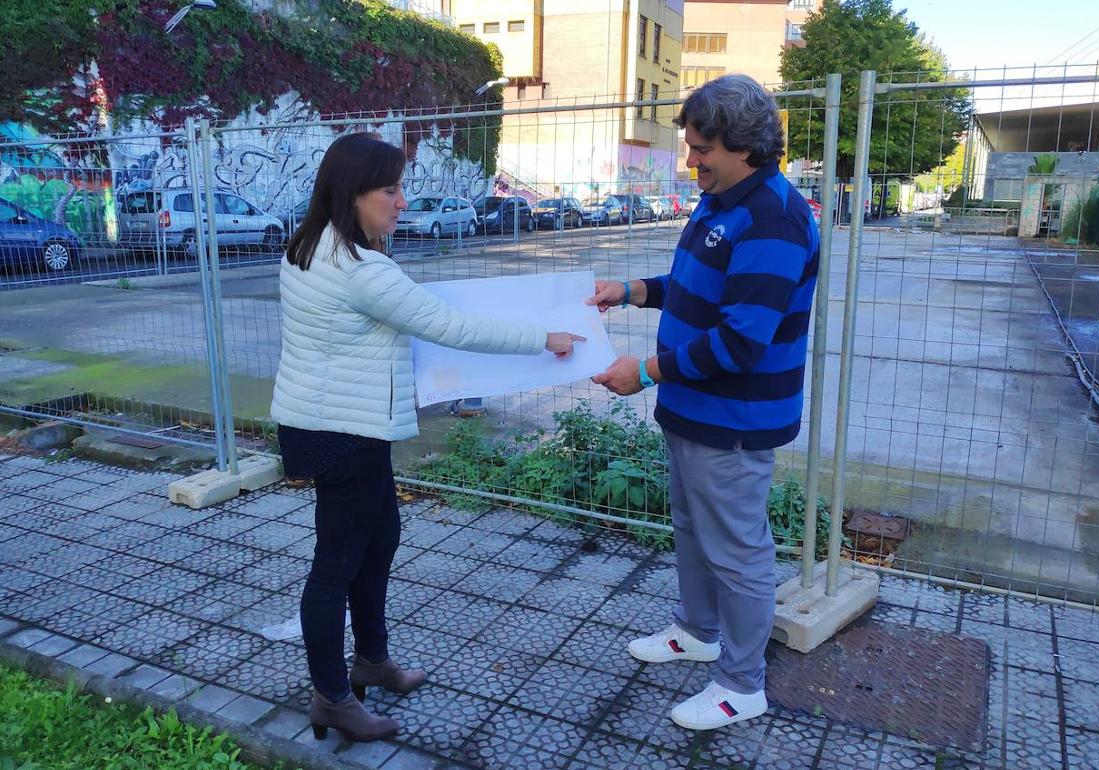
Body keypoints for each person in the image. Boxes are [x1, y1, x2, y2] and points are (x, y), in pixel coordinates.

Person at [271, 132, 585, 742]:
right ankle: (333, 696)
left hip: (327, 423)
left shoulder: (306, 248)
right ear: (353, 195)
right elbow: (449, 325)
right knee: (336, 565)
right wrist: (544, 337)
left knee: (380, 536)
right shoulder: (362, 271)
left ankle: (372, 659)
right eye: (390, 189)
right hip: (343, 431)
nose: (401, 200)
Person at [588, 74, 820, 731]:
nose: (690, 161)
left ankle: (741, 685)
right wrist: (630, 290)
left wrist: (650, 371)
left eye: (699, 149)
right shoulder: (723, 200)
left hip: (734, 418)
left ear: (742, 145)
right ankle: (697, 631)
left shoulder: (772, 216)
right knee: (694, 531)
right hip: (696, 412)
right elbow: (696, 288)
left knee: (738, 552)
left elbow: (742, 342)